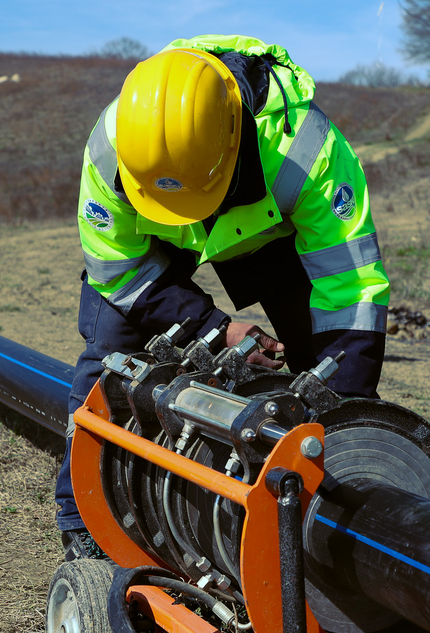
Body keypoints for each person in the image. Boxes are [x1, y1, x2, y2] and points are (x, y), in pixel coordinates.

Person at [58, 35, 390, 561]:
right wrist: (215, 329)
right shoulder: (111, 150)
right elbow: (120, 272)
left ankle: (337, 511)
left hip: (268, 234)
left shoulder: (304, 150)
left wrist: (344, 417)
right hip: (155, 243)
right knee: (109, 360)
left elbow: (350, 288)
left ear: (234, 143)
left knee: (327, 365)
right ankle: (84, 521)